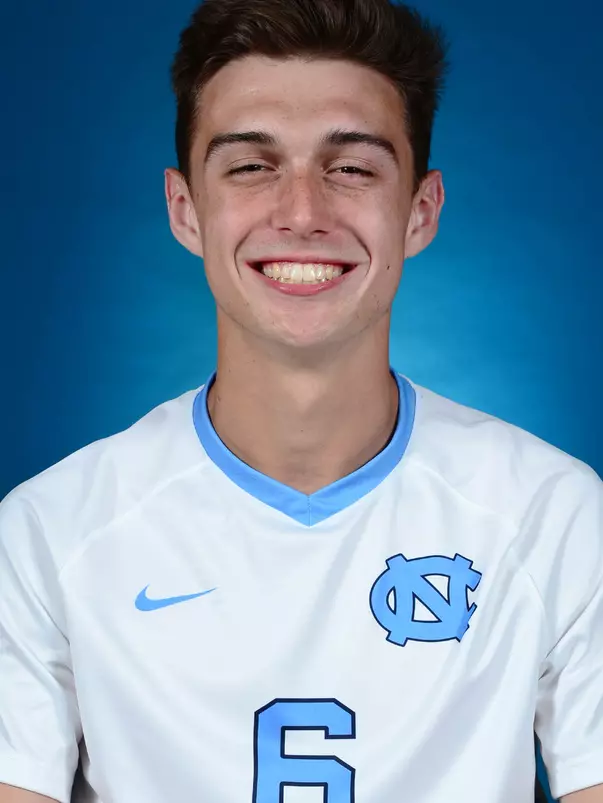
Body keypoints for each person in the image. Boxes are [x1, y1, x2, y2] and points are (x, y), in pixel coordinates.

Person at [0, 0, 601, 801]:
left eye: (349, 167)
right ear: (186, 209)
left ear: (419, 209)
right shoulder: (49, 533)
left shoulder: (553, 515)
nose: (301, 212)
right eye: (251, 165)